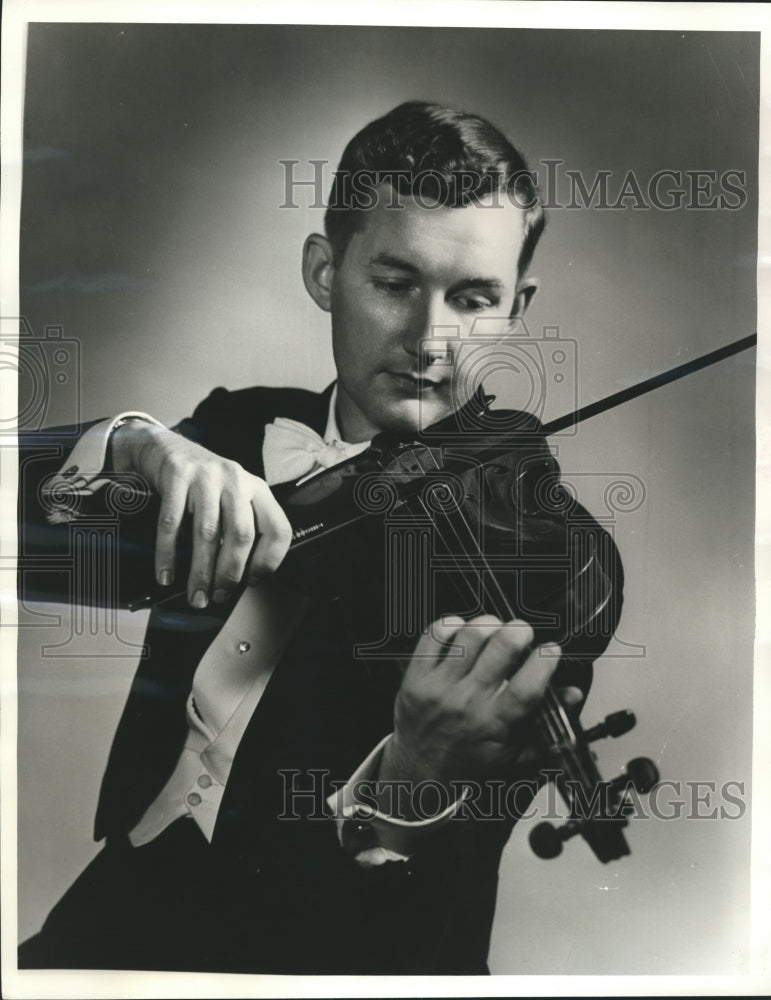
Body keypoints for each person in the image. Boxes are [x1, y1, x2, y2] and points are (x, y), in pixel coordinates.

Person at [17, 101, 622, 975]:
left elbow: (442, 862)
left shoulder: (542, 557)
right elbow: (28, 538)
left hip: (346, 959)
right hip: (130, 897)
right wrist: (130, 439)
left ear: (514, 309)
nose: (429, 341)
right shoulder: (233, 430)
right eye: (394, 282)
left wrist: (413, 773)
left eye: (473, 298)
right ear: (322, 272)